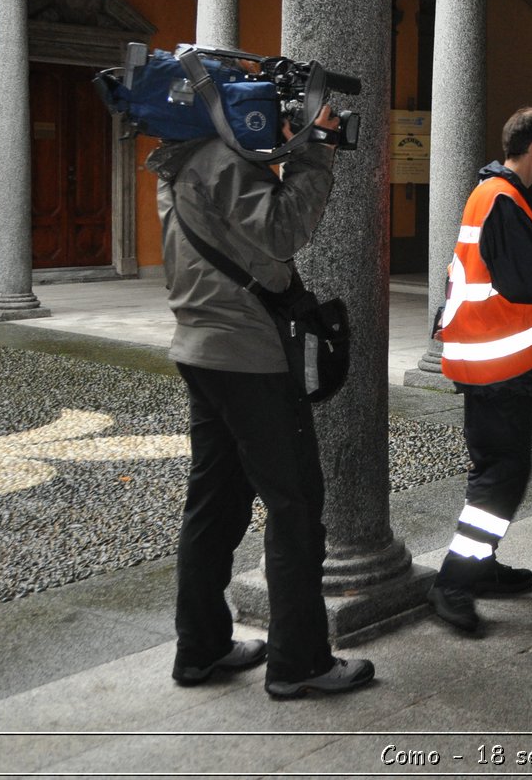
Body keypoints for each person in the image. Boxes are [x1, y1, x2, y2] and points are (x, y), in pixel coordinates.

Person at [149, 104, 373, 699]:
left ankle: (200, 648)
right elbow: (283, 231)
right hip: (247, 355)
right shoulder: (222, 160)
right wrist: (316, 148)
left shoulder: (178, 162)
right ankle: (298, 662)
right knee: (295, 504)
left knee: (215, 503)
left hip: (200, 349)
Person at [427, 107, 532, 635]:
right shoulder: (502, 200)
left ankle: (478, 568)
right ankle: (454, 581)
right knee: (501, 477)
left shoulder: (493, 195)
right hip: (493, 366)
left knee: (498, 473)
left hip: (491, 362)